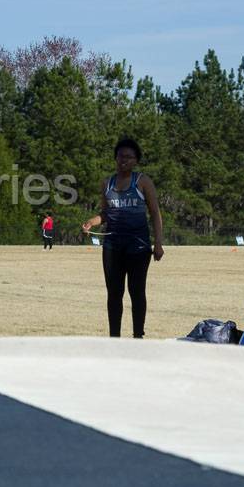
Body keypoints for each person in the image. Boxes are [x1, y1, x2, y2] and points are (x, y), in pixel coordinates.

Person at [82, 138, 164, 339]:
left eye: (129, 157)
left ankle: (138, 336)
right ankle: (114, 338)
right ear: (115, 158)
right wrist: (92, 222)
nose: (123, 160)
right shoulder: (106, 183)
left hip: (139, 246)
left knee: (136, 292)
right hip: (112, 246)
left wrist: (158, 243)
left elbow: (155, 213)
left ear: (136, 160)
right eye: (120, 156)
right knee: (114, 293)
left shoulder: (142, 181)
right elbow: (106, 213)